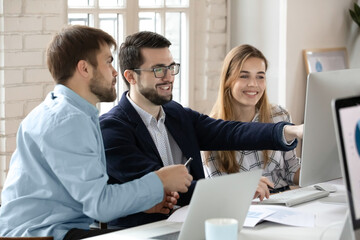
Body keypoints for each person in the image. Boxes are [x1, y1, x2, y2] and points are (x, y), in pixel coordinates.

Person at [0, 25, 193, 240]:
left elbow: (89, 196)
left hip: (57, 229)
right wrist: (160, 180)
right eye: (108, 61)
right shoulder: (68, 121)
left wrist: (144, 201)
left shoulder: (69, 111)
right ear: (84, 68)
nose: (115, 72)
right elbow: (100, 205)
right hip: (41, 235)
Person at [99, 31, 303, 228]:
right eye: (159, 70)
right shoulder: (112, 128)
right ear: (131, 77)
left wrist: (289, 131)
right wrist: (239, 188)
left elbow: (229, 132)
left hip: (193, 224)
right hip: (146, 232)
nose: (169, 77)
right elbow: (162, 186)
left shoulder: (176, 113)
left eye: (172, 67)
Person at [203, 44, 300, 193]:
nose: (253, 84)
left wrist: (322, 171)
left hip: (283, 202)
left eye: (260, 76)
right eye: (244, 76)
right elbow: (217, 191)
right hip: (244, 208)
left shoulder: (279, 115)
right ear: (228, 79)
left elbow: (290, 170)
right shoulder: (213, 128)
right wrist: (245, 188)